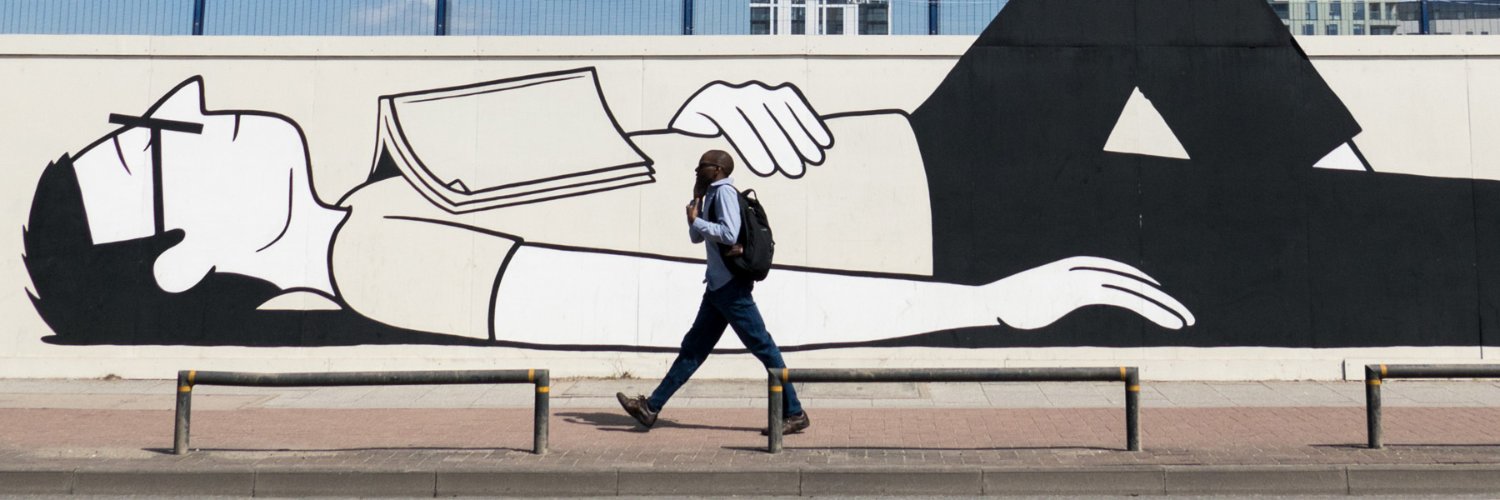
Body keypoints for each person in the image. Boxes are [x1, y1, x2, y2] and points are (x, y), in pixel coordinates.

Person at [615, 150, 810, 434]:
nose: (697, 169)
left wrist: (698, 220)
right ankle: (651, 408)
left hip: (732, 288)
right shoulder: (710, 196)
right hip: (718, 289)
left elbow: (730, 234)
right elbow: (697, 236)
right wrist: (696, 202)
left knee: (764, 348)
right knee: (692, 351)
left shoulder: (726, 194)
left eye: (702, 166)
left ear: (717, 169)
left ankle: (794, 412)